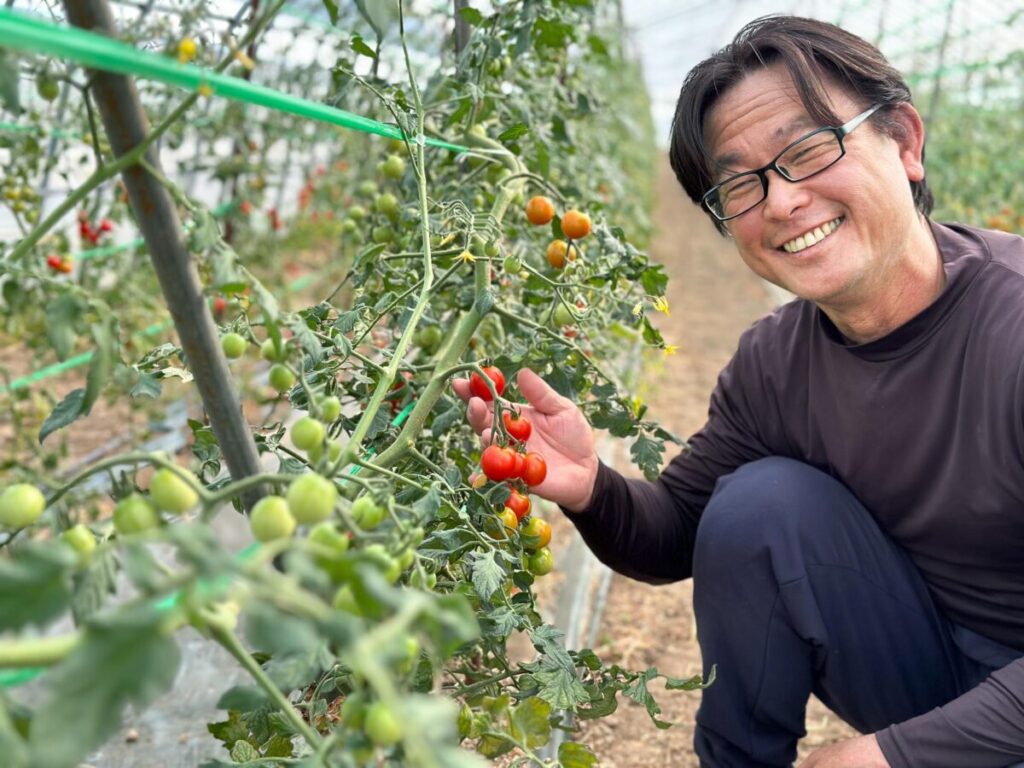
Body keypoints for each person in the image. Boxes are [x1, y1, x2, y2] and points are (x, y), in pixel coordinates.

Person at [455, 14, 1024, 768]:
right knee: (757, 505)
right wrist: (590, 487)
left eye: (807, 148)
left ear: (906, 142)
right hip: (926, 673)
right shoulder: (775, 364)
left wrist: (890, 757)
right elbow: (681, 532)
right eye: (741, 185)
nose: (783, 202)